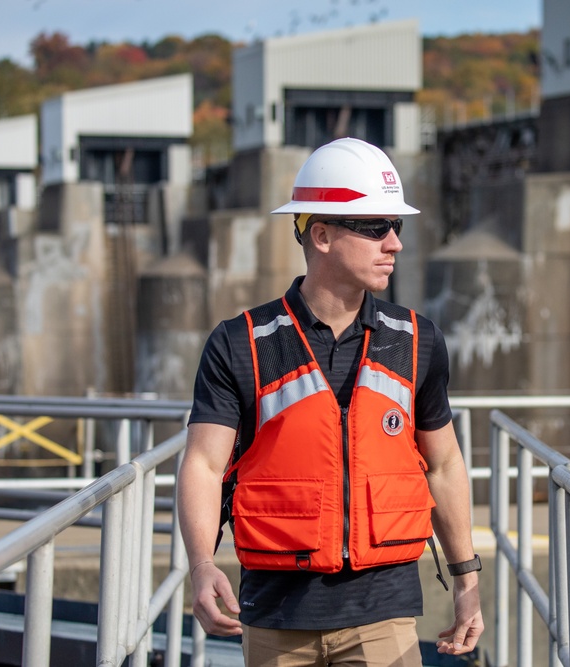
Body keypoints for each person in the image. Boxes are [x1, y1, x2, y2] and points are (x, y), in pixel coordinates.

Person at [177, 137, 484, 666]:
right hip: (276, 616)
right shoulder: (240, 342)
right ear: (320, 234)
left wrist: (466, 580)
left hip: (384, 615)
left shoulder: (417, 340)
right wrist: (202, 565)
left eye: (397, 226)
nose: (394, 243)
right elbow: (203, 464)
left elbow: (444, 464)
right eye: (374, 228)